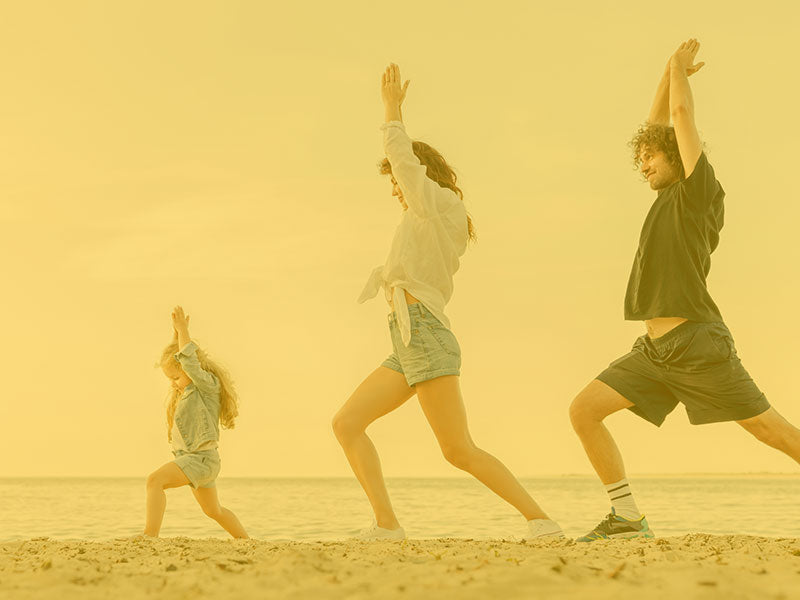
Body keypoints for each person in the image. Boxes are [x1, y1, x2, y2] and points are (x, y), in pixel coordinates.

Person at [569, 39, 800, 542]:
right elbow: (656, 121)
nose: (644, 163)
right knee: (584, 410)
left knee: (773, 432)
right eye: (642, 158)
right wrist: (664, 69)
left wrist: (678, 72)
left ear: (679, 155)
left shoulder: (698, 193)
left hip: (697, 346)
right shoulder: (664, 197)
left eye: (653, 156)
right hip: (654, 353)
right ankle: (628, 518)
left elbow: (676, 114)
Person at [332, 63, 563, 541]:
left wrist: (392, 111)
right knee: (347, 423)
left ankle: (541, 521)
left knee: (458, 450)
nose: (395, 188)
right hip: (407, 338)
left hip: (426, 334)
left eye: (397, 180)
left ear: (421, 174)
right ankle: (387, 525)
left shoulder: (437, 205)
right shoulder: (427, 214)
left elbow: (403, 163)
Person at [143, 306, 248, 538]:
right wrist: (176, 336)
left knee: (154, 481)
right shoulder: (187, 389)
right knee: (214, 510)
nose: (173, 383)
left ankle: (150, 535)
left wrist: (183, 330)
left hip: (199, 459)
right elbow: (180, 360)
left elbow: (188, 362)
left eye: (175, 377)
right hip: (201, 460)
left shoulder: (206, 386)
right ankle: (246, 541)